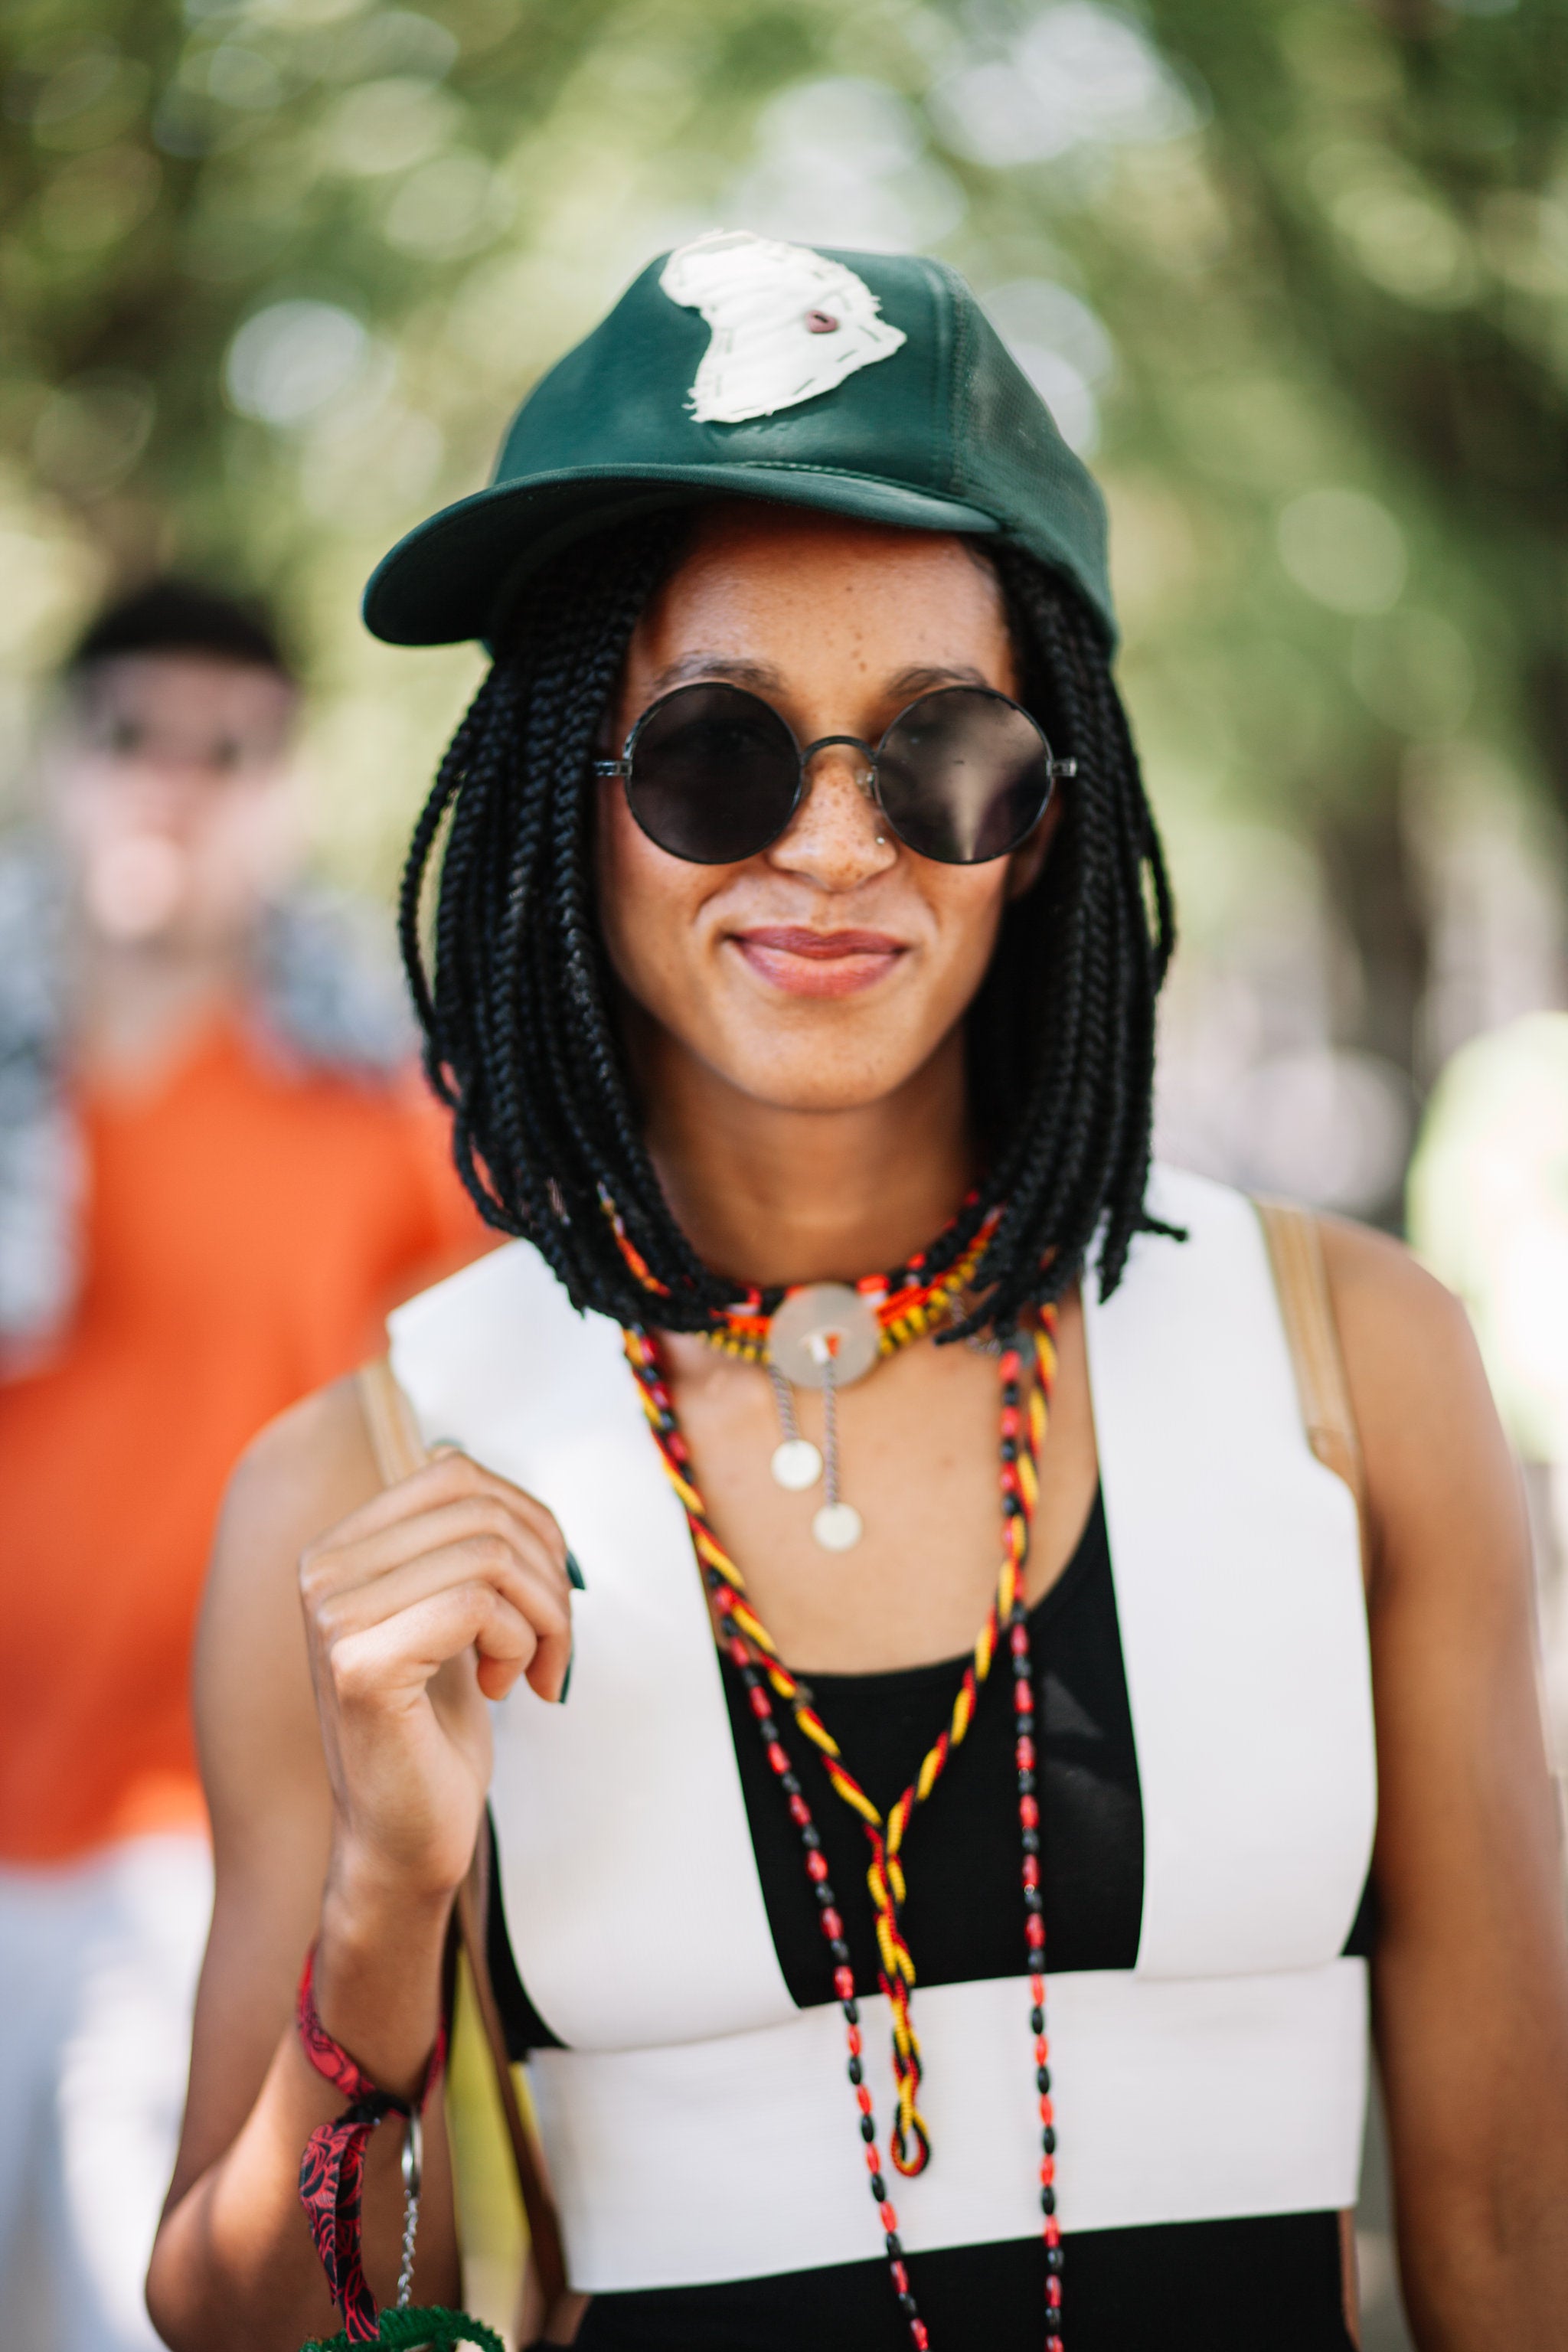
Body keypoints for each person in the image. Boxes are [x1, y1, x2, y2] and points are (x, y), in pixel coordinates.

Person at [148, 234, 1568, 2352]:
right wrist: (385, 1906)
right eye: (714, 752)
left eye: (945, 753)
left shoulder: (1347, 1367)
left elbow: (1516, 2237)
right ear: (564, 800)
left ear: (1049, 817)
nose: (831, 848)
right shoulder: (362, 1492)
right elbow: (266, 2330)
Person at [0, 580, 485, 2352]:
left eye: (231, 750)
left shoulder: (376, 1098)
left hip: (204, 1850)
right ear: (58, 761)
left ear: (285, 791)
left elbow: (490, 1422)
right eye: (135, 734)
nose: (176, 783)